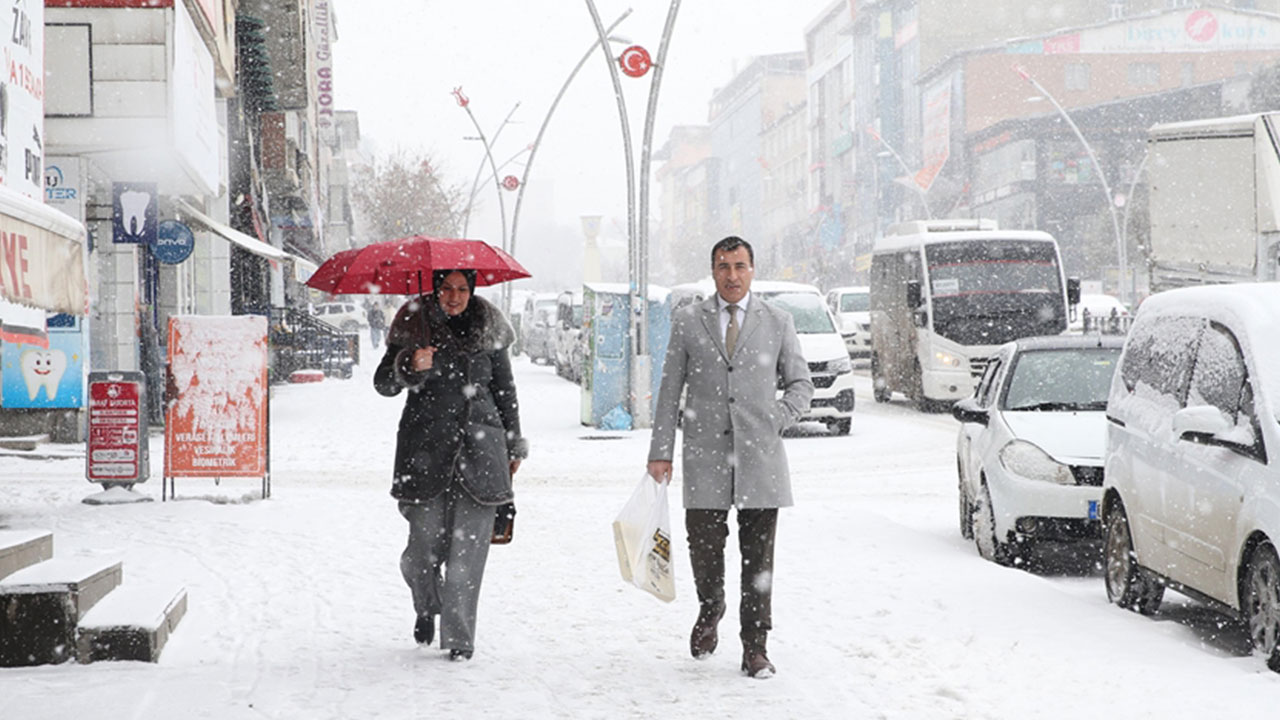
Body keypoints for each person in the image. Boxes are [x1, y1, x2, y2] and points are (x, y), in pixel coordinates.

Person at [646, 236, 813, 679]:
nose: (732, 275)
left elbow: (801, 385)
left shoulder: (778, 321)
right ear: (713, 271)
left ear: (752, 269)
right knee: (703, 545)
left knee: (758, 560)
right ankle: (711, 606)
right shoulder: (687, 321)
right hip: (705, 456)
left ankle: (755, 646)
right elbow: (668, 392)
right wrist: (660, 451)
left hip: (761, 460)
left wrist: (776, 417)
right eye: (724, 267)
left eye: (740, 266)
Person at [374, 269, 527, 661]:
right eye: (446, 288)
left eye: (462, 289)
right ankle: (427, 604)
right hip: (426, 452)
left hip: (483, 449)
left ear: (472, 291)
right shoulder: (414, 320)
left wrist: (513, 445)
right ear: (436, 289)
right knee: (421, 551)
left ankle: (459, 639)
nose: (454, 296)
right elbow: (383, 384)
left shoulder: (489, 325)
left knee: (468, 556)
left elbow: (505, 391)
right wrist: (410, 363)